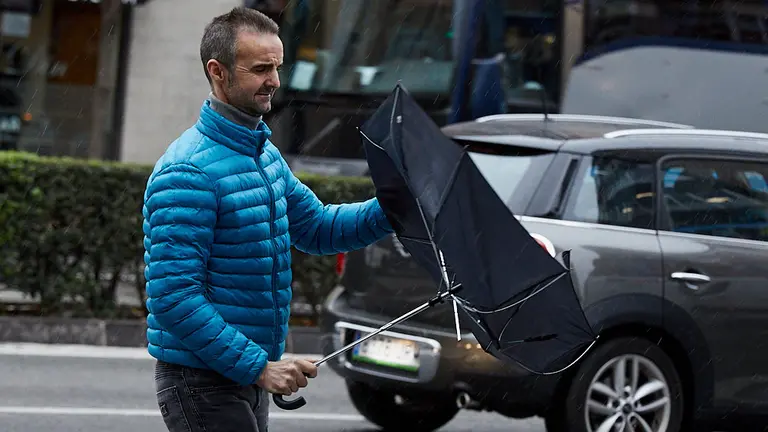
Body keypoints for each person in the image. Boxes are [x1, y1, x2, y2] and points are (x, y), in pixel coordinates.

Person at [142, 7, 394, 432]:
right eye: (260, 68)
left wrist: (395, 205)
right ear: (217, 71)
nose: (275, 80)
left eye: (277, 66)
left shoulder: (262, 154)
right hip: (202, 381)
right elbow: (173, 298)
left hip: (242, 376)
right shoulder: (188, 172)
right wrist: (260, 367)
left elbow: (317, 228)